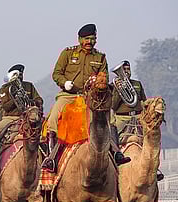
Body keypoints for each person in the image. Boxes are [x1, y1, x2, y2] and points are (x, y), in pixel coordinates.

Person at [41, 23, 129, 172]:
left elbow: (104, 77)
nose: (89, 42)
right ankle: (51, 158)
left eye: (92, 38)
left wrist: (100, 82)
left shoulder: (100, 57)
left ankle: (116, 152)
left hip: (90, 96)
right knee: (53, 119)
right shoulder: (68, 53)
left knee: (111, 119)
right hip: (68, 95)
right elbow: (56, 73)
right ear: (79, 39)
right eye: (86, 39)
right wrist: (65, 83)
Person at [111, 60, 164, 181]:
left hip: (138, 117)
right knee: (113, 140)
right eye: (123, 70)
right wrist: (119, 90)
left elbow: (143, 101)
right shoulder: (114, 85)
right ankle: (114, 162)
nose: (126, 72)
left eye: (127, 69)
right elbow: (113, 105)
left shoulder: (137, 84)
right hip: (122, 117)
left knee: (150, 139)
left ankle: (155, 169)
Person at [0, 64, 43, 169]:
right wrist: (15, 98)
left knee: (43, 131)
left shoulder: (29, 86)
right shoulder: (5, 88)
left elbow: (39, 99)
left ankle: (45, 159)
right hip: (11, 117)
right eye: (18, 74)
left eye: (21, 74)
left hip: (27, 117)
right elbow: (6, 106)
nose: (20, 76)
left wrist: (32, 101)